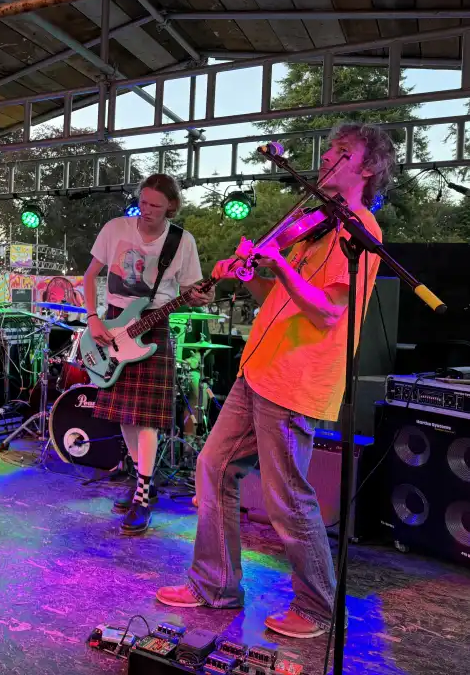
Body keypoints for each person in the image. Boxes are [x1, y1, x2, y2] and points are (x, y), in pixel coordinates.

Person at [156, 123, 393, 639]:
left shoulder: (361, 232)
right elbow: (279, 297)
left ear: (368, 169)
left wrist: (280, 263)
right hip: (259, 369)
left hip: (295, 380)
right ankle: (215, 585)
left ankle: (316, 608)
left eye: (343, 152)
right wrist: (249, 274)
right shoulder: (317, 226)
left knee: (288, 499)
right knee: (214, 466)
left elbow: (327, 311)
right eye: (330, 148)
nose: (328, 156)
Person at [82, 174, 213, 535]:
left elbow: (190, 289)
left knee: (148, 419)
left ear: (171, 205)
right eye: (144, 202)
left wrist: (201, 295)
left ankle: (141, 496)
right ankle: (145, 482)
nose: (147, 210)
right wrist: (93, 319)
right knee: (125, 415)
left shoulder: (181, 241)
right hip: (110, 326)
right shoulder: (115, 228)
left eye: (156, 205)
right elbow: (90, 275)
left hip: (153, 329)